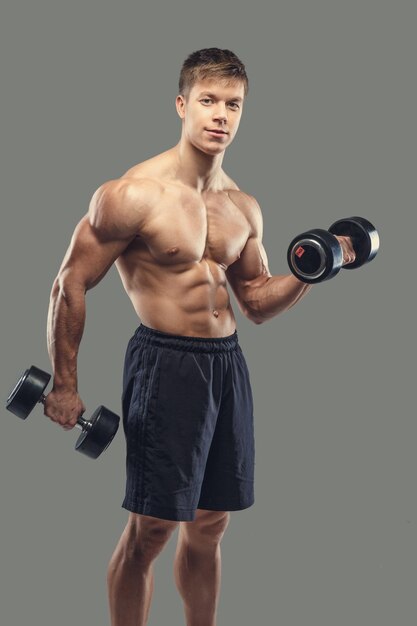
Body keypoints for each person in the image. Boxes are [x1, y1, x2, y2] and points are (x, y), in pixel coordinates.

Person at [44, 48, 355, 626]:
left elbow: (257, 301)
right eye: (208, 101)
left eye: (233, 104)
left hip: (227, 364)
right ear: (182, 105)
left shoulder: (244, 206)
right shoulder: (133, 193)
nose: (221, 116)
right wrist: (65, 383)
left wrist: (319, 268)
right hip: (166, 364)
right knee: (152, 527)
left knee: (212, 522)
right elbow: (70, 285)